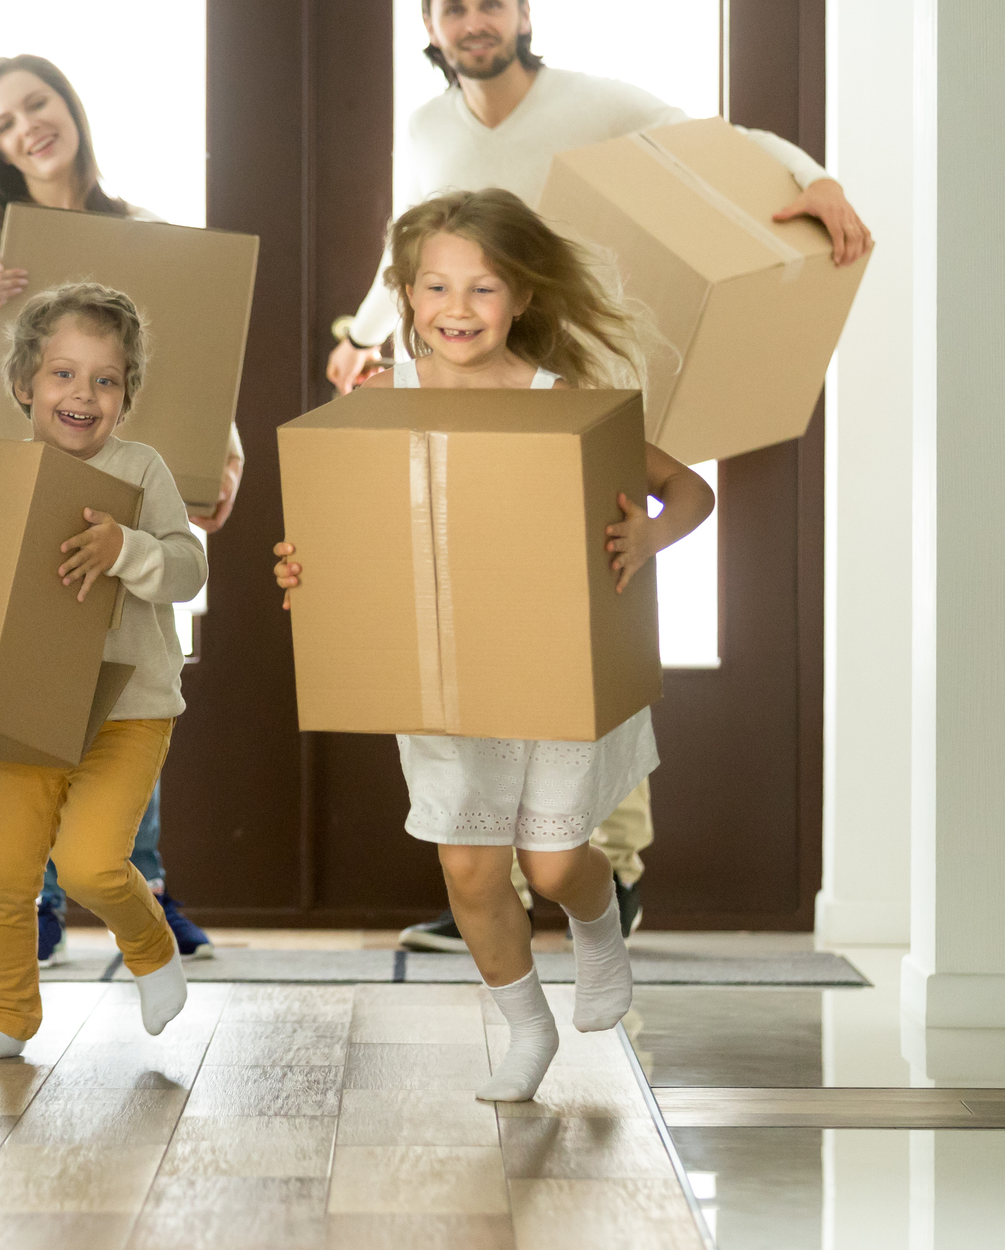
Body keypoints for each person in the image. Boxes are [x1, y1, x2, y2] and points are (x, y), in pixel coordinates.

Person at [328, 0, 872, 953]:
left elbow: (725, 143)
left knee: (589, 604)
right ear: (433, 29)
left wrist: (816, 180)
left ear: (523, 13)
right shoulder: (426, 128)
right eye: (454, 8)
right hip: (460, 388)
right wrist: (363, 337)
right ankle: (487, 876)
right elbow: (405, 251)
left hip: (568, 376)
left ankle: (613, 872)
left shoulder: (593, 104)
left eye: (491, 2)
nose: (474, 20)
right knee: (479, 615)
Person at [273, 190, 715, 1100]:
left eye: (482, 287)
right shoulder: (377, 401)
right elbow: (341, 524)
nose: (457, 308)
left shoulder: (562, 405)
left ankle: (598, 924)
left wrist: (647, 537)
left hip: (550, 672)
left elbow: (690, 492)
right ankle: (526, 1030)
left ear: (521, 296)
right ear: (405, 296)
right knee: (470, 868)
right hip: (444, 676)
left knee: (550, 864)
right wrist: (308, 568)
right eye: (436, 286)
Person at [0, 54, 236, 966]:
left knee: (128, 680)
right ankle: (38, 894)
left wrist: (222, 452)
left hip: (115, 479)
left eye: (36, 103)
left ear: (68, 107)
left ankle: (139, 884)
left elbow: (190, 355)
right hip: (23, 478)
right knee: (35, 688)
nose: (26, 126)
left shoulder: (138, 232)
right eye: (3, 123)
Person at [0, 284, 204, 1062]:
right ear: (24, 384)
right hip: (30, 706)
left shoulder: (140, 469)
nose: (82, 395)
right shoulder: (1, 472)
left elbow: (187, 568)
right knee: (3, 873)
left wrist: (127, 548)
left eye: (104, 379)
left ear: (126, 395)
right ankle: (7, 1016)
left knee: (89, 865)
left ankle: (150, 948)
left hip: (129, 707)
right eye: (62, 374)